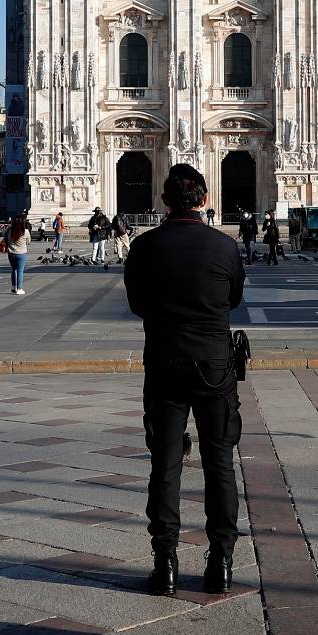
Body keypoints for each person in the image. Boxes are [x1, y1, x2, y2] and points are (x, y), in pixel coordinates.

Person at [123, 164, 245, 596]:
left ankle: (166, 565)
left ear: (164, 201)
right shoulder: (224, 246)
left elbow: (137, 303)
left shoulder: (144, 246)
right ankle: (221, 565)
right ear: (205, 200)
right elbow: (234, 297)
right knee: (220, 466)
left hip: (164, 365)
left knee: (165, 466)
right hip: (215, 367)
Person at [3, 212, 31, 294]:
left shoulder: (10, 230)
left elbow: (3, 234)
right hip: (21, 253)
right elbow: (28, 242)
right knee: (20, 271)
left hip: (11, 253)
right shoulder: (25, 231)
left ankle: (13, 287)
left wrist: (9, 228)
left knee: (13, 269)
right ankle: (19, 289)